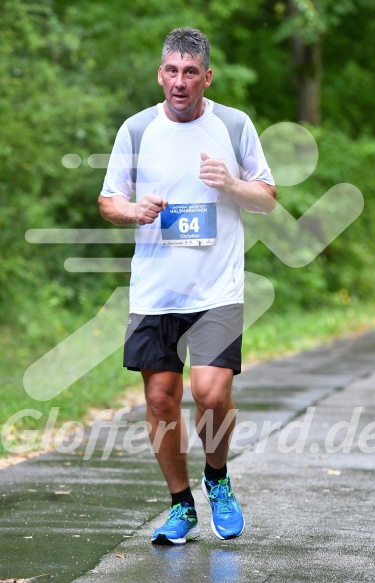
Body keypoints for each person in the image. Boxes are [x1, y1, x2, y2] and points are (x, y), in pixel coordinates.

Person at [98, 27, 276, 545]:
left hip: (217, 288)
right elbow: (110, 200)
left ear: (206, 77)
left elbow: (266, 196)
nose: (180, 82)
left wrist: (232, 184)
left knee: (211, 393)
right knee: (160, 400)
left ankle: (217, 477)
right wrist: (133, 210)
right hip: (156, 291)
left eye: (190, 72)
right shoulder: (135, 130)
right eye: (171, 71)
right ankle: (181, 506)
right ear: (160, 74)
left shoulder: (234, 125)